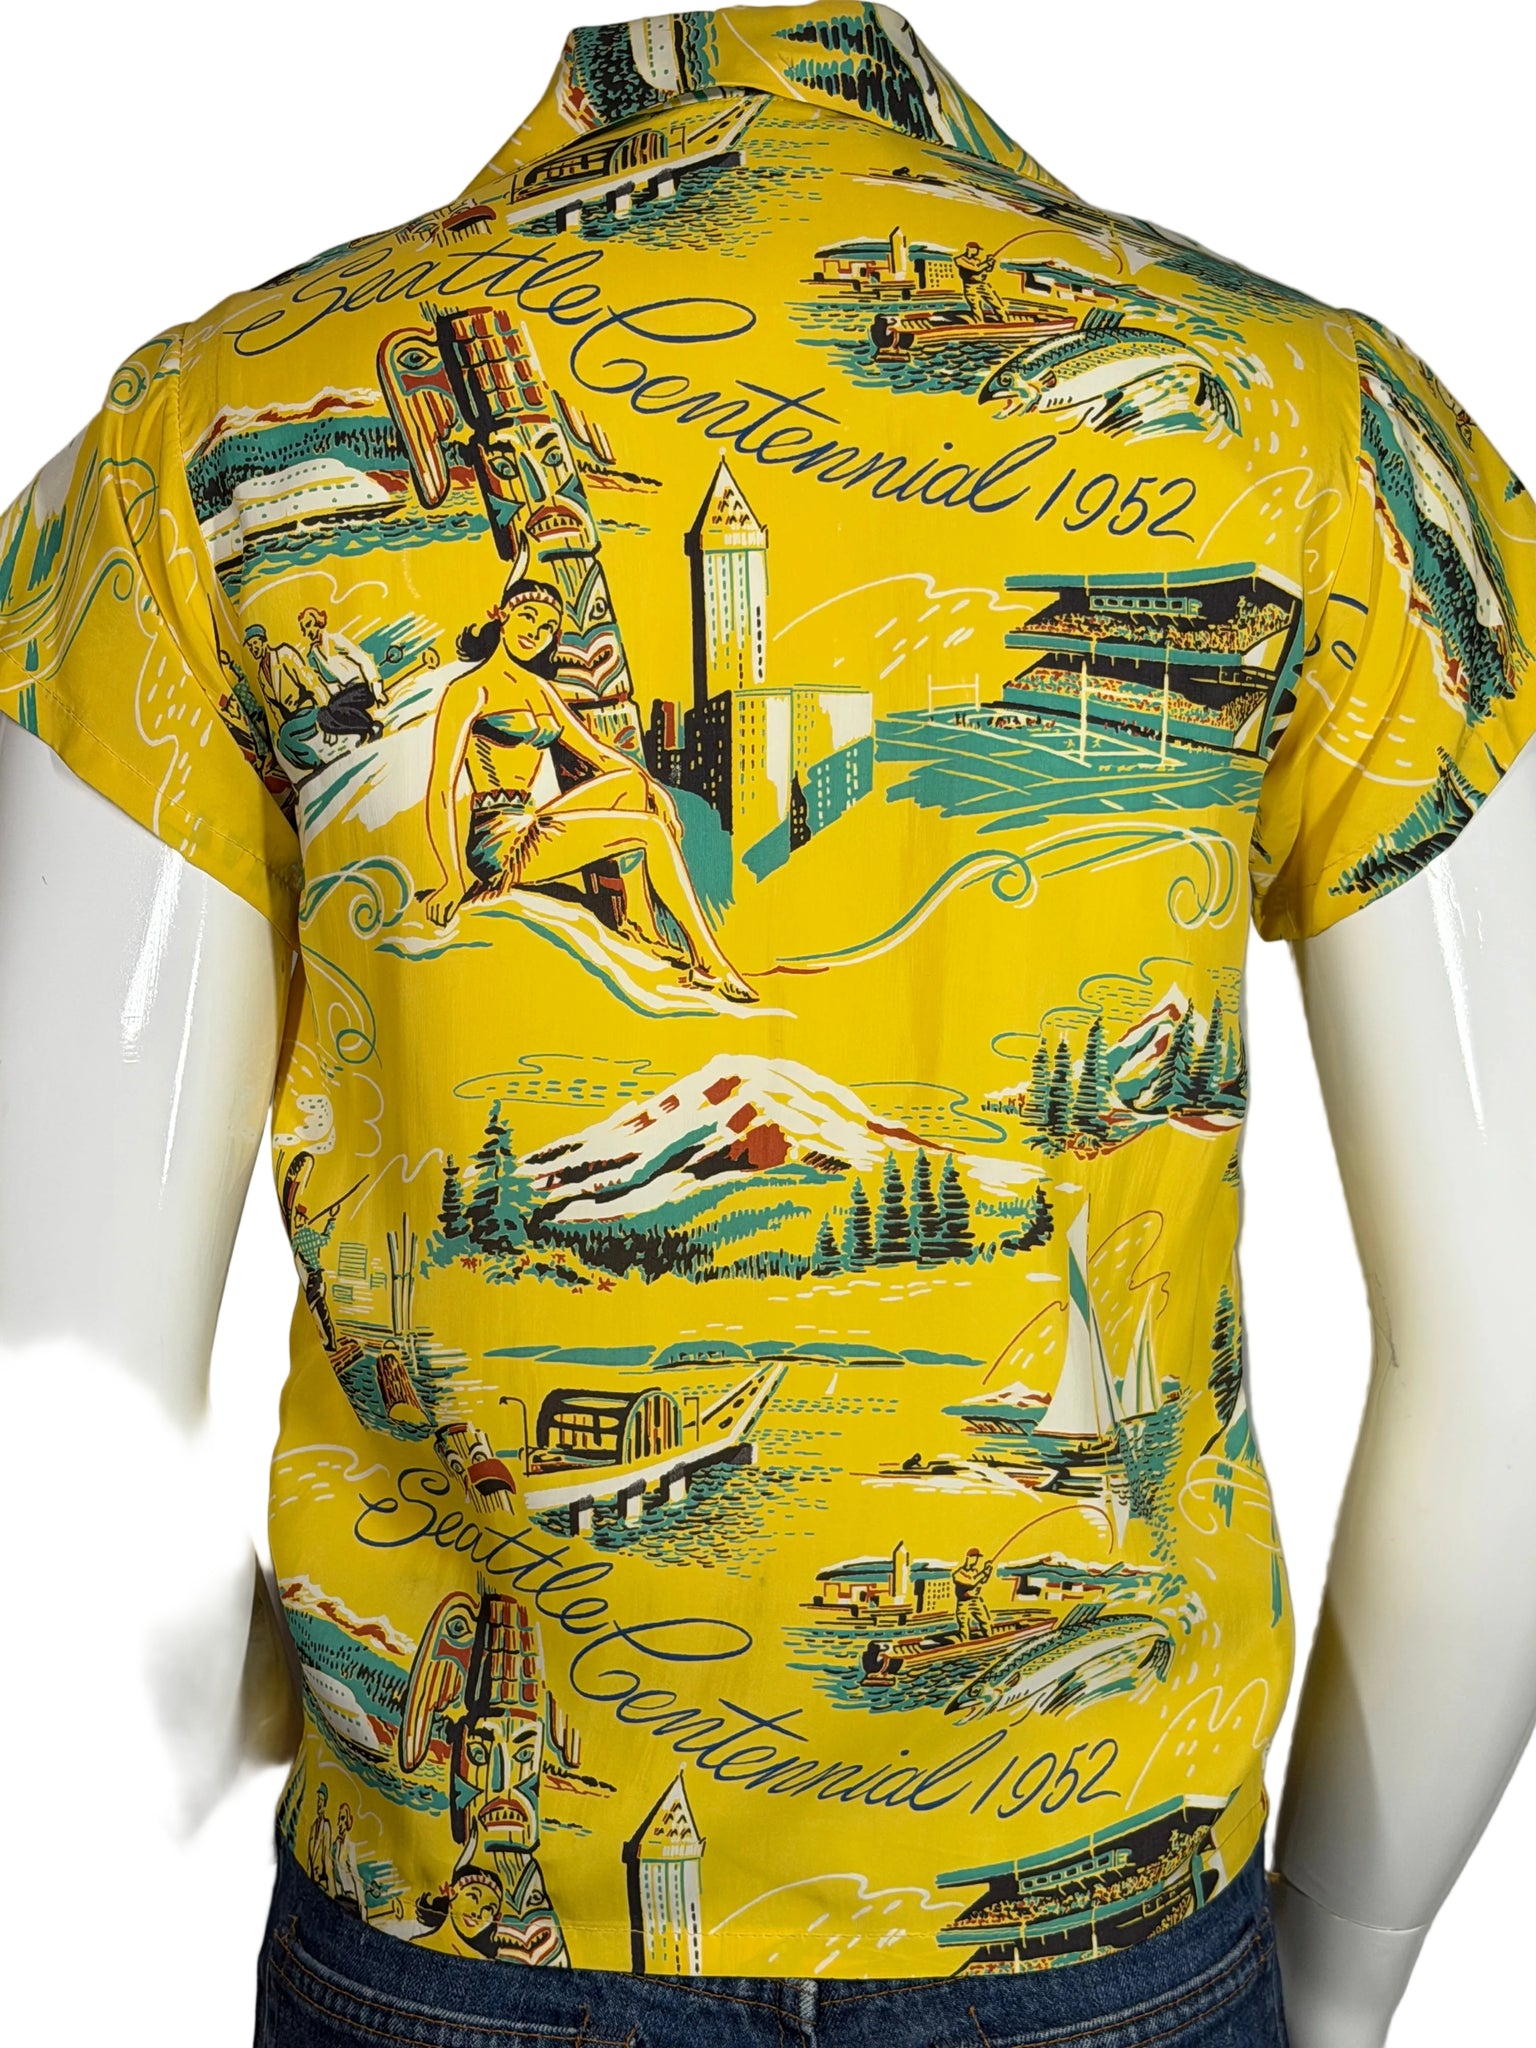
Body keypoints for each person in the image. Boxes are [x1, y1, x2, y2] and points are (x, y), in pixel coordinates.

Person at [422, 569, 754, 1003]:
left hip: (532, 821)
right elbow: (441, 788)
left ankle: (637, 920)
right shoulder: (470, 690)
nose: (535, 632)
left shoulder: (540, 690)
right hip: (499, 843)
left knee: (630, 782)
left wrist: (657, 792)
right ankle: (710, 963)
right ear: (501, 614)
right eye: (527, 617)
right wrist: (450, 878)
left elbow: (598, 753)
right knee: (650, 832)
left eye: (547, 627)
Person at [298, 605, 384, 741]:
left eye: (309, 625)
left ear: (318, 622)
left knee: (335, 706)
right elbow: (327, 683)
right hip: (343, 696)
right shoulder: (312, 656)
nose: (308, 631)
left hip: (362, 689)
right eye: (304, 629)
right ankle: (362, 731)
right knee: (323, 716)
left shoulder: (334, 640)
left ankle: (372, 726)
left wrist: (377, 688)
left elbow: (362, 659)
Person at [414, 1868, 505, 1959]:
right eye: (473, 1897)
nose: (477, 1913)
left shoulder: (483, 1958)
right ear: (452, 1893)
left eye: (489, 1908)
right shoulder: (417, 1944)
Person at [956, 238, 1007, 323]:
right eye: (976, 249)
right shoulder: (960, 259)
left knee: (997, 305)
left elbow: (987, 270)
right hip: (970, 287)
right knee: (976, 308)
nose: (977, 251)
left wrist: (991, 263)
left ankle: (1005, 321)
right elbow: (976, 269)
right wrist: (987, 263)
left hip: (982, 285)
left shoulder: (977, 260)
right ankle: (979, 325)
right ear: (969, 248)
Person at [952, 1546, 994, 1639]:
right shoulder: (958, 1574)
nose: (976, 1560)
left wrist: (988, 1571)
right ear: (968, 1558)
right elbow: (971, 1582)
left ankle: (990, 1639)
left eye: (977, 1557)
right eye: (974, 1557)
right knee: (964, 1627)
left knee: (985, 1622)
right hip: (963, 1603)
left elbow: (982, 1581)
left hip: (975, 1601)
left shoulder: (975, 1572)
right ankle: (965, 1643)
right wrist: (984, 1572)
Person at [306, 1782, 334, 1896]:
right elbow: (309, 1855)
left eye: (321, 1800)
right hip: (307, 1878)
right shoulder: (313, 1826)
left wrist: (330, 1888)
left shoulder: (326, 1827)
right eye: (318, 1800)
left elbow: (327, 1856)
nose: (318, 1804)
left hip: (321, 1884)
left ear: (325, 1803)